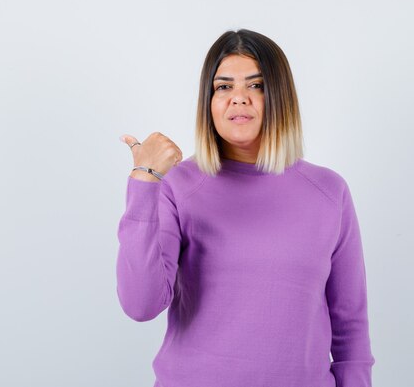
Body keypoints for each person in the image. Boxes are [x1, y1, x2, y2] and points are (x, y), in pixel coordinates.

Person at [116, 29, 375, 387]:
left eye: (256, 86)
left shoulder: (329, 192)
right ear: (208, 101)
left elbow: (351, 329)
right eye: (223, 87)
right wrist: (144, 182)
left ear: (280, 97)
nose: (239, 99)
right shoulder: (178, 185)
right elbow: (140, 304)